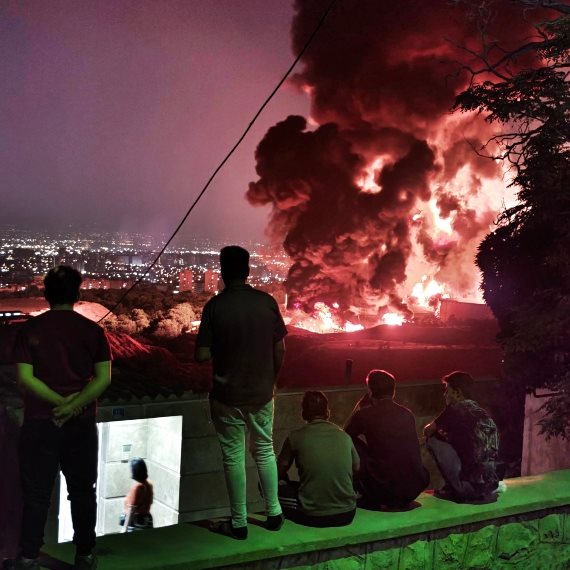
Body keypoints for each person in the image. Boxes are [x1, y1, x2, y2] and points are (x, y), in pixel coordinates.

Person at [13, 266, 112, 570]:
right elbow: (103, 378)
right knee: (82, 492)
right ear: (77, 293)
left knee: (36, 494)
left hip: (40, 423)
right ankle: (85, 554)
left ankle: (28, 557)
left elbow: (25, 379)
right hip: (80, 426)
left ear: (46, 293)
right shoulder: (92, 331)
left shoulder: (30, 330)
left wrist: (58, 404)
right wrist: (73, 406)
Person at [195, 246, 287, 540]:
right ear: (247, 271)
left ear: (223, 272)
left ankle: (239, 523)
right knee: (265, 450)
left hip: (227, 395)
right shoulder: (267, 303)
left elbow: (201, 354)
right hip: (262, 392)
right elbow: (280, 349)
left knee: (233, 457)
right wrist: (271, 379)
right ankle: (274, 513)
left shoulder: (215, 307)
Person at [345, 370, 429, 510]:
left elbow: (343, 437)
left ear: (370, 391)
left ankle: (356, 491)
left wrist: (359, 406)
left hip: (384, 490)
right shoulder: (407, 414)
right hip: (413, 488)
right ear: (393, 391)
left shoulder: (364, 415)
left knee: (350, 442)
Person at [277, 391, 359, 527]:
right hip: (347, 513)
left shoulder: (295, 437)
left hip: (313, 516)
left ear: (303, 413)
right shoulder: (344, 436)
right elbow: (357, 468)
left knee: (266, 484)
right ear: (327, 412)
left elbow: (277, 471)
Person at [424, 371, 500, 503]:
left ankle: (453, 488)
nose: (444, 394)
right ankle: (461, 485)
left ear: (457, 393)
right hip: (490, 485)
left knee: (432, 440)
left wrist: (440, 434)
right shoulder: (481, 412)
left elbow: (427, 430)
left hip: (469, 489)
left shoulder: (454, 409)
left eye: (447, 390)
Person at [121, 458, 153, 533]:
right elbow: (150, 502)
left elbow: (131, 510)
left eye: (131, 468)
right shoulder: (149, 484)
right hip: (146, 520)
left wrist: (124, 528)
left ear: (135, 470)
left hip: (136, 523)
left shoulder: (137, 488)